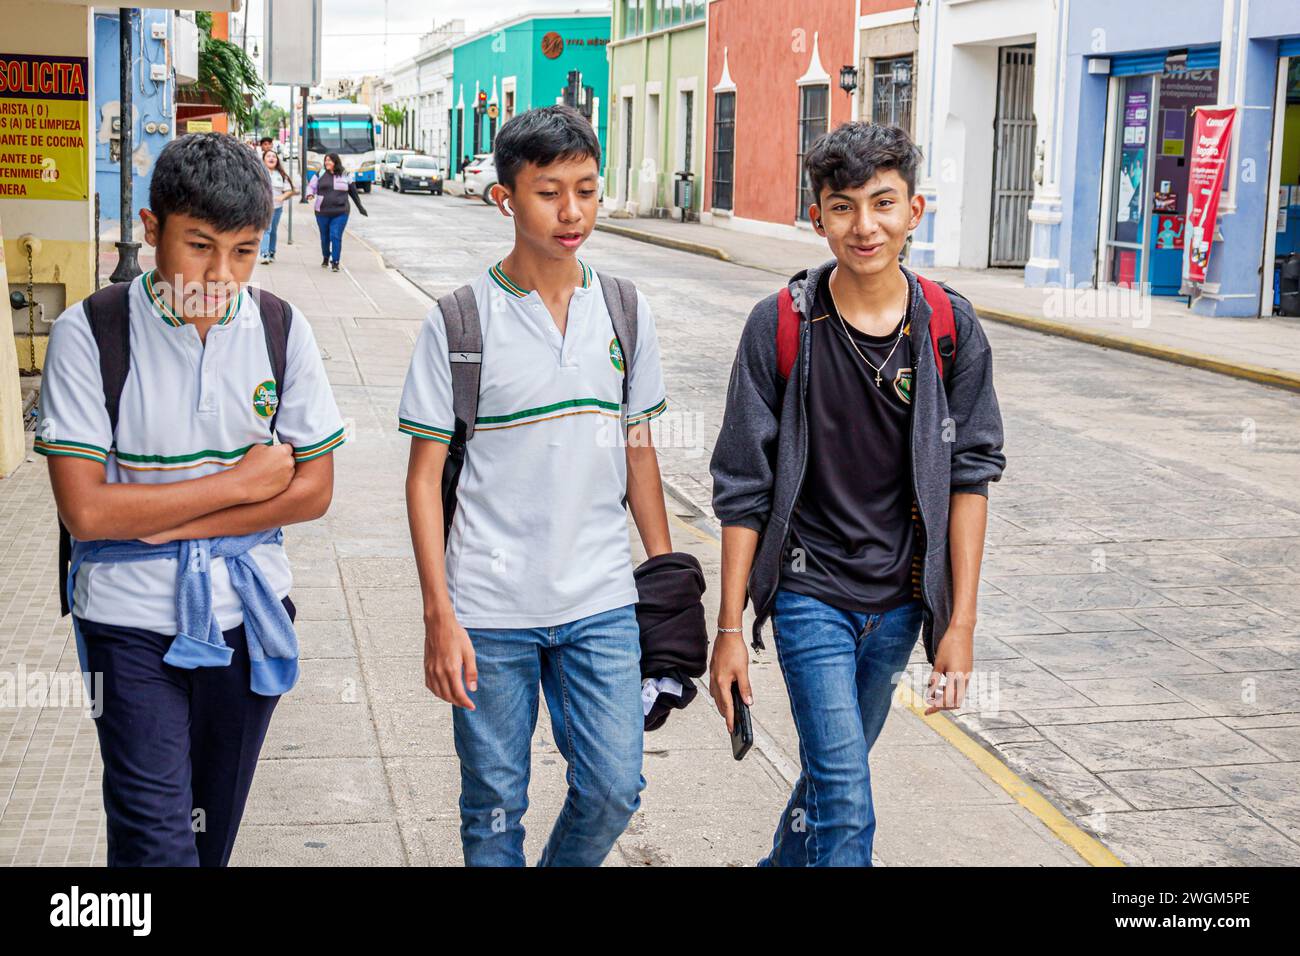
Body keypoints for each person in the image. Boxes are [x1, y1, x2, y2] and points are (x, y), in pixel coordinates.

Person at [35, 132, 347, 866]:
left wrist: (166, 514)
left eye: (243, 251)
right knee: (157, 845)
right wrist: (243, 482)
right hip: (129, 622)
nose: (220, 274)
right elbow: (87, 511)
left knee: (208, 843)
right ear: (150, 231)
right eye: (200, 246)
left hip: (249, 620)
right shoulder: (93, 332)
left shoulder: (279, 328)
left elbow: (315, 489)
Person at [708, 122, 1006, 867]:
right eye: (843, 206)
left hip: (901, 602)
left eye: (883, 204)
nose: (864, 226)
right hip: (811, 593)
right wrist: (730, 629)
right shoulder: (779, 326)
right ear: (818, 217)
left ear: (915, 210)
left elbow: (971, 477)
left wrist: (957, 625)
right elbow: (742, 485)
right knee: (846, 797)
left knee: (825, 783)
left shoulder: (950, 329)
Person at [399, 105, 672, 866]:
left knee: (616, 786)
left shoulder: (624, 310)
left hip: (601, 602)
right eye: (550, 191)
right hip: (489, 609)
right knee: (493, 806)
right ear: (504, 198)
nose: (572, 211)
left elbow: (640, 451)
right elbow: (424, 481)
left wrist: (666, 579)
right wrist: (438, 615)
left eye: (586, 189)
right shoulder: (457, 323)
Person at [305, 151, 368, 272]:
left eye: (330, 160)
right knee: (325, 237)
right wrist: (309, 194)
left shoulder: (345, 174)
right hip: (322, 211)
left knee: (335, 235)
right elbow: (311, 186)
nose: (327, 162)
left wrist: (360, 207)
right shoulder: (320, 173)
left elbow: (353, 192)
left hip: (341, 211)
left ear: (336, 162)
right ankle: (325, 257)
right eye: (326, 160)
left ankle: (335, 262)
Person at [259, 147, 295, 265]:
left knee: (273, 230)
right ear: (263, 160)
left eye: (274, 156)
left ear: (277, 160)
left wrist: (282, 197)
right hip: (263, 207)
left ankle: (272, 251)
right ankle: (264, 254)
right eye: (268, 156)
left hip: (277, 207)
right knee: (266, 229)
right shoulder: (259, 173)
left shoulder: (282, 175)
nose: (271, 158)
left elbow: (290, 190)